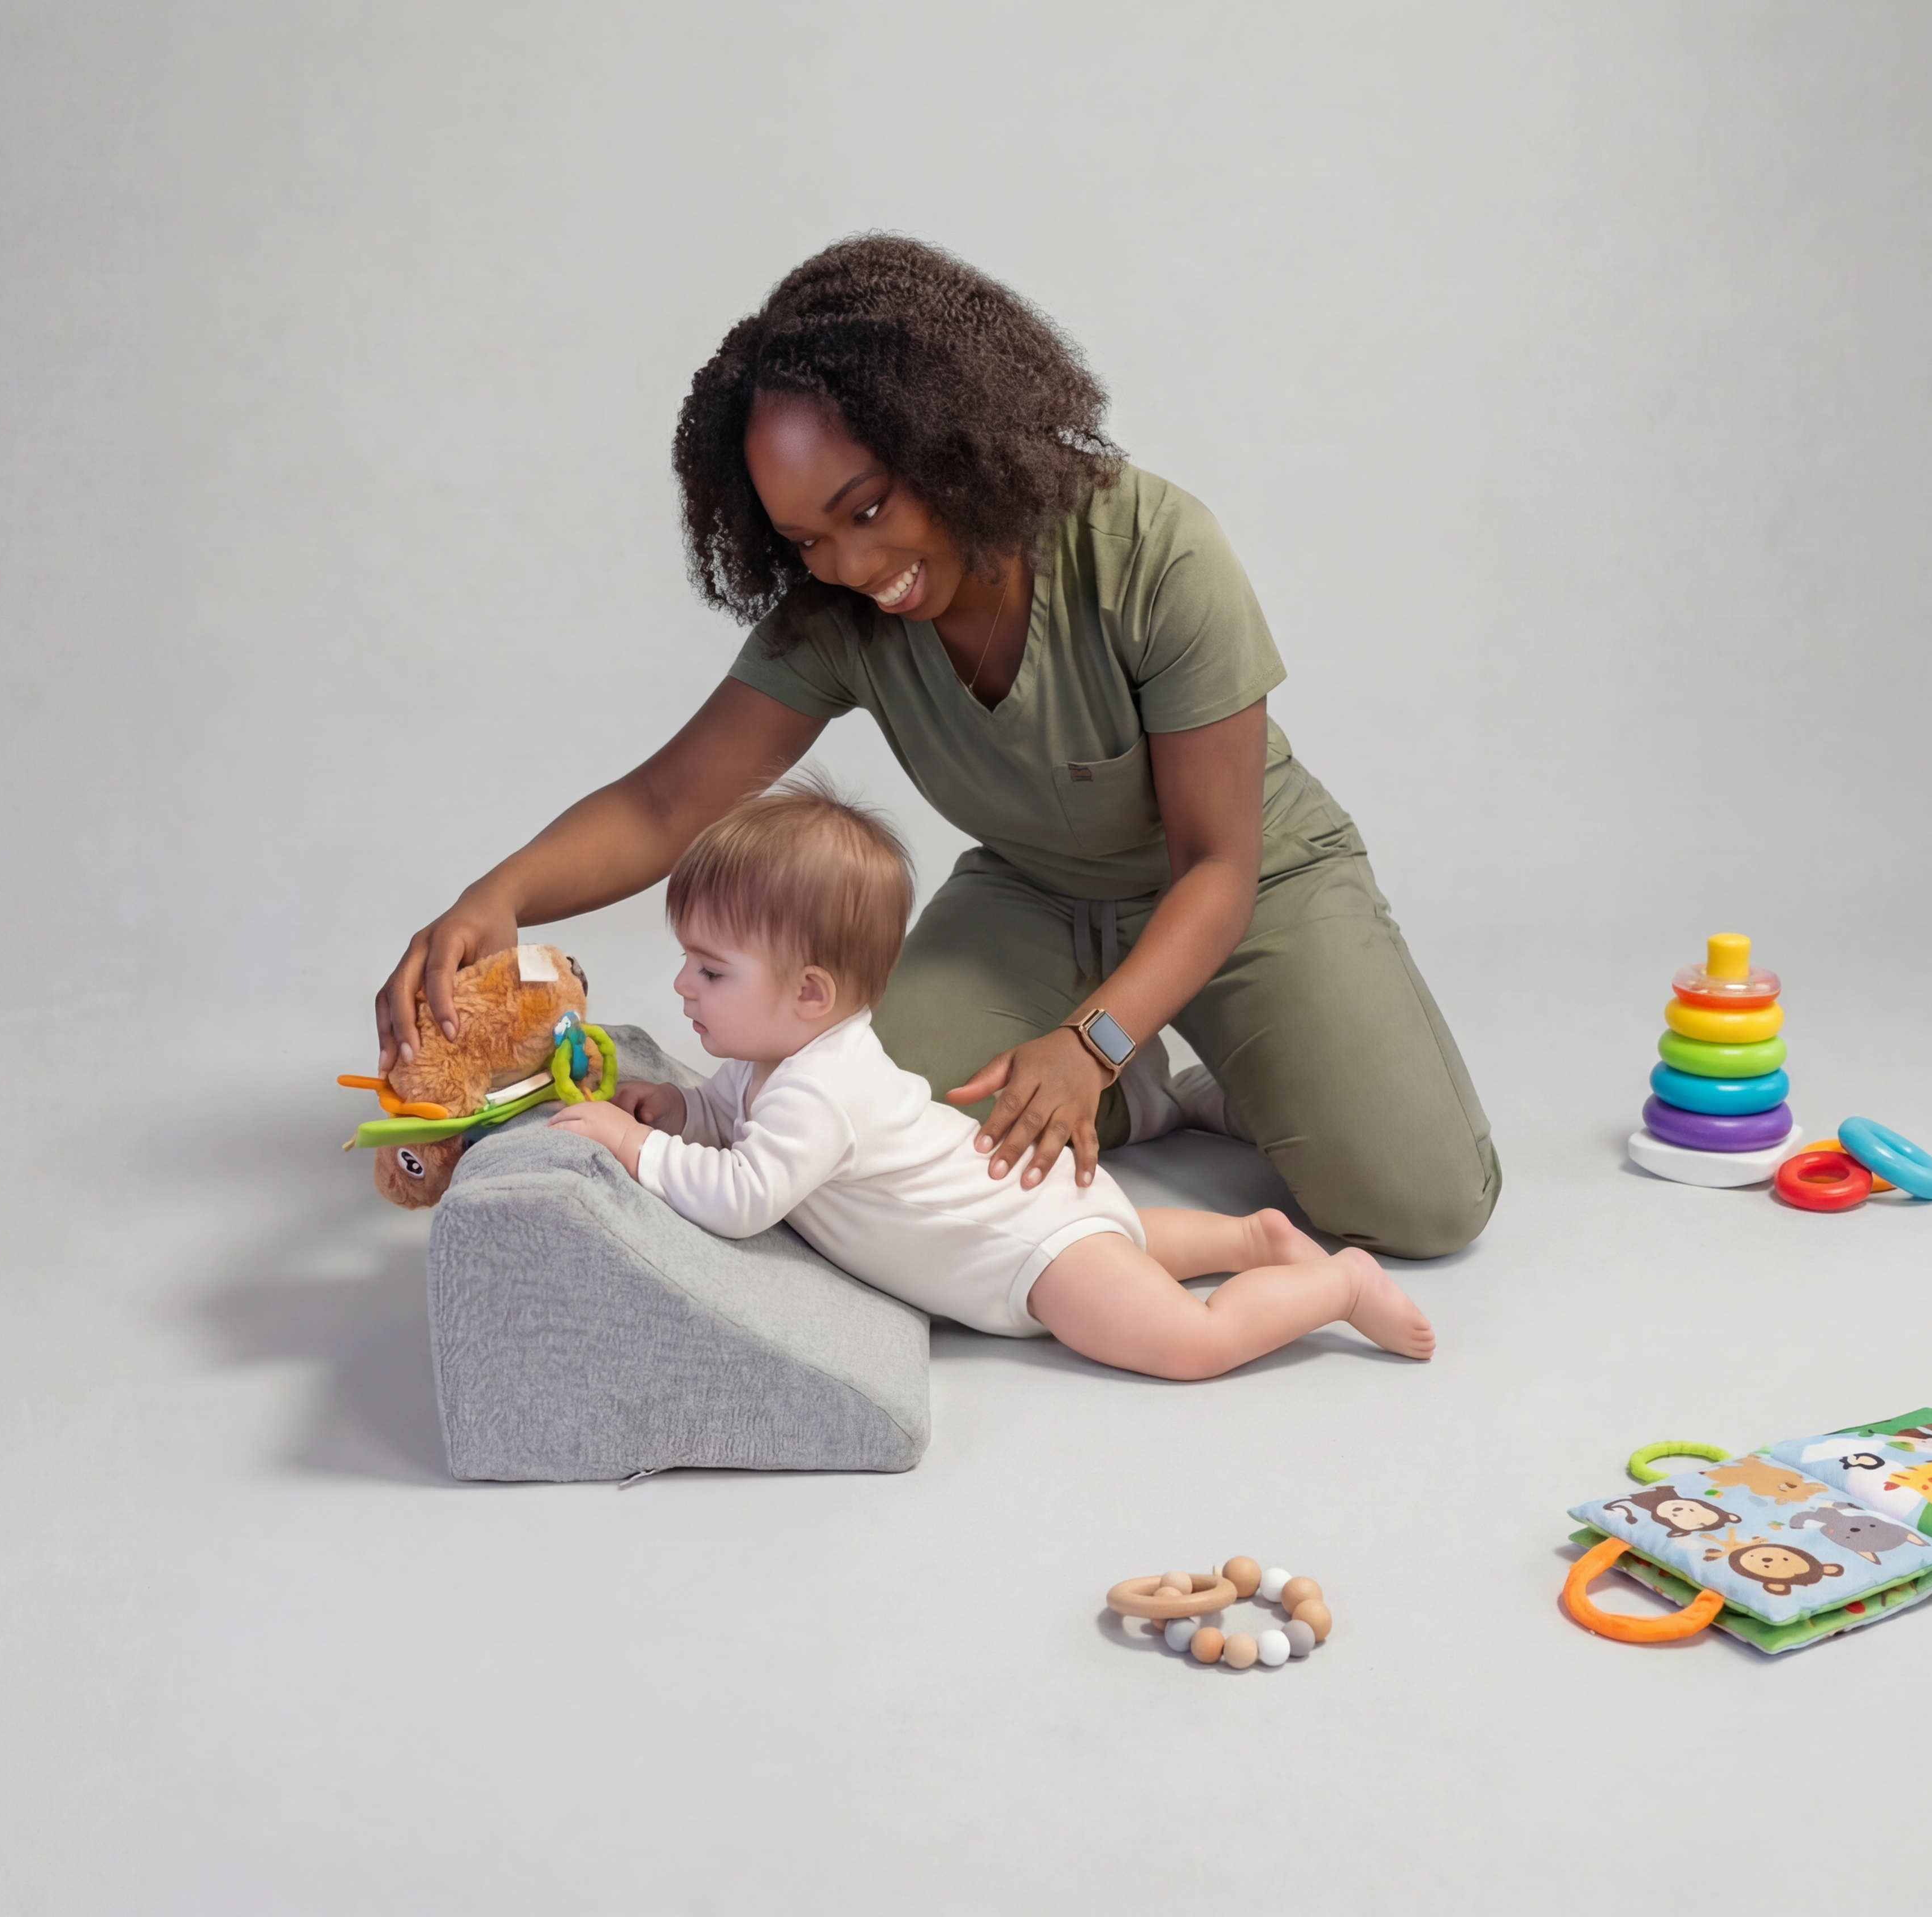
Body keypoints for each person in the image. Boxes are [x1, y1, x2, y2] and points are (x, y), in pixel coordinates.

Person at [379, 235, 1497, 1259]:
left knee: (1419, 1204)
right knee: (857, 1131)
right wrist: (499, 895)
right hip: (1033, 895)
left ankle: (1174, 1056)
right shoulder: (835, 621)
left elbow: (1219, 866)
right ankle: (1148, 1094)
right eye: (806, 540)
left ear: (948, 439)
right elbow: (669, 802)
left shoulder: (1157, 552)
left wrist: (1090, 1040)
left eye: (866, 511)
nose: (852, 567)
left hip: (1248, 888)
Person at [545, 780, 1435, 1376]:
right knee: (1122, 1245)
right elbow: (726, 1114)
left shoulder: (820, 1091)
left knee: (1186, 1342)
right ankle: (1250, 1241)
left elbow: (742, 1196)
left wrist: (635, 1148)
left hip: (1028, 1256)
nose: (681, 987)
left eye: (709, 970)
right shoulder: (781, 1059)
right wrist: (677, 1111)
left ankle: (1338, 1285)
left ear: (810, 993)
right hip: (1033, 1216)